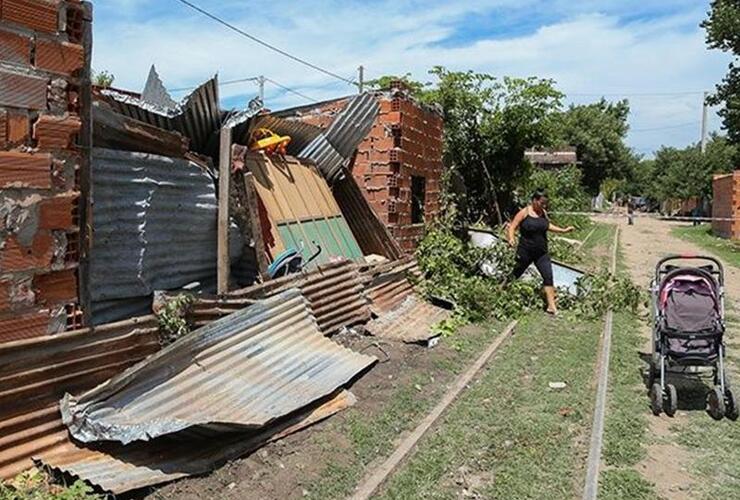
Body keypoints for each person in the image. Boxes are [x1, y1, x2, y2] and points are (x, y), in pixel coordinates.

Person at [507, 189, 575, 315]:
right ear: (534, 200)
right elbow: (512, 226)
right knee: (514, 274)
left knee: (548, 276)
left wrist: (563, 231)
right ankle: (500, 292)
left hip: (541, 253)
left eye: (545, 203)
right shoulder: (524, 212)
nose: (544, 206)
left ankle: (551, 306)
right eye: (542, 203)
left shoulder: (543, 213)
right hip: (525, 252)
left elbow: (548, 225)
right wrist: (511, 238)